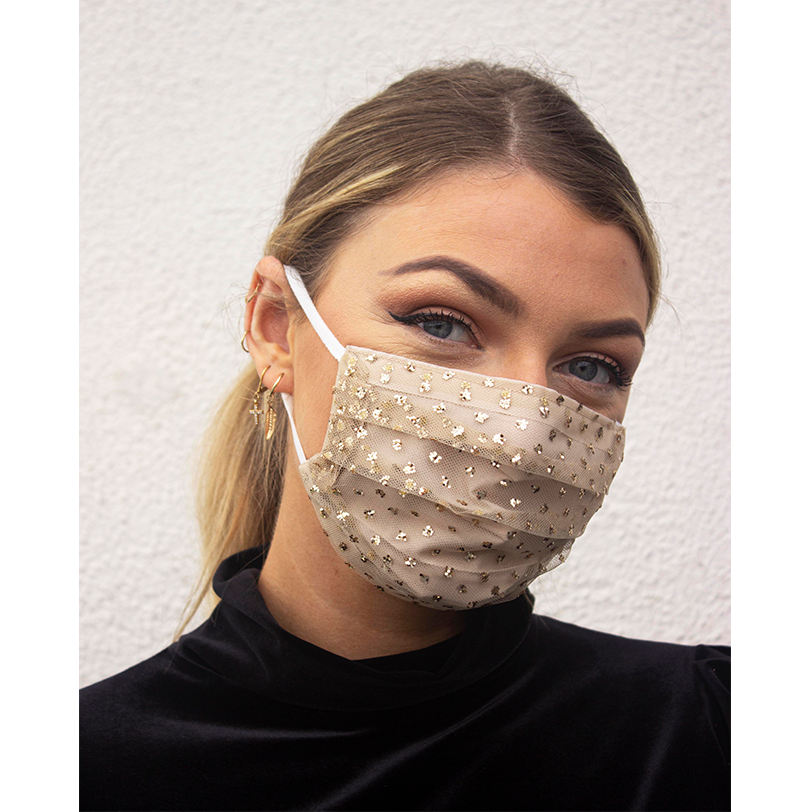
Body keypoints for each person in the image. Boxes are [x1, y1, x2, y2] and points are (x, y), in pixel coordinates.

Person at [79, 61, 731, 810]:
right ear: (276, 327)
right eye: (442, 323)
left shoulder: (718, 730)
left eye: (592, 366)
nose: (523, 433)